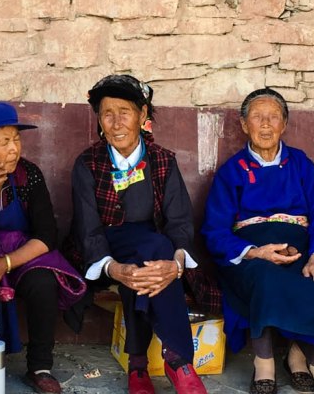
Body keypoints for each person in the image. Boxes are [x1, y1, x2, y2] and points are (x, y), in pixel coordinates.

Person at [201, 88, 314, 394]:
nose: (265, 124)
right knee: (265, 278)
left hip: (299, 250)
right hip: (252, 255)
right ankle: (264, 362)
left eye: (273, 117)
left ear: (284, 124)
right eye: (257, 117)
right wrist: (254, 252)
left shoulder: (300, 164)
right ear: (244, 124)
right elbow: (214, 230)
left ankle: (297, 356)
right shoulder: (232, 171)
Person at [68, 74, 207, 394]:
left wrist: (176, 264)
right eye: (107, 114)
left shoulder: (162, 160)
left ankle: (138, 366)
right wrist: (114, 268)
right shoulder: (88, 163)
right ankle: (179, 362)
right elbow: (87, 228)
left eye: (125, 112)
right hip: (104, 245)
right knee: (153, 250)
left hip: (153, 248)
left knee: (147, 263)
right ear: (99, 120)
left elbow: (179, 221)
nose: (116, 123)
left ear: (142, 114)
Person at [0, 102, 88, 394]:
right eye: (3, 142)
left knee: (43, 283)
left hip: (21, 252)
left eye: (16, 139)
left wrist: (6, 262)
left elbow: (47, 235)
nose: (14, 149)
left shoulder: (29, 175)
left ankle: (39, 367)